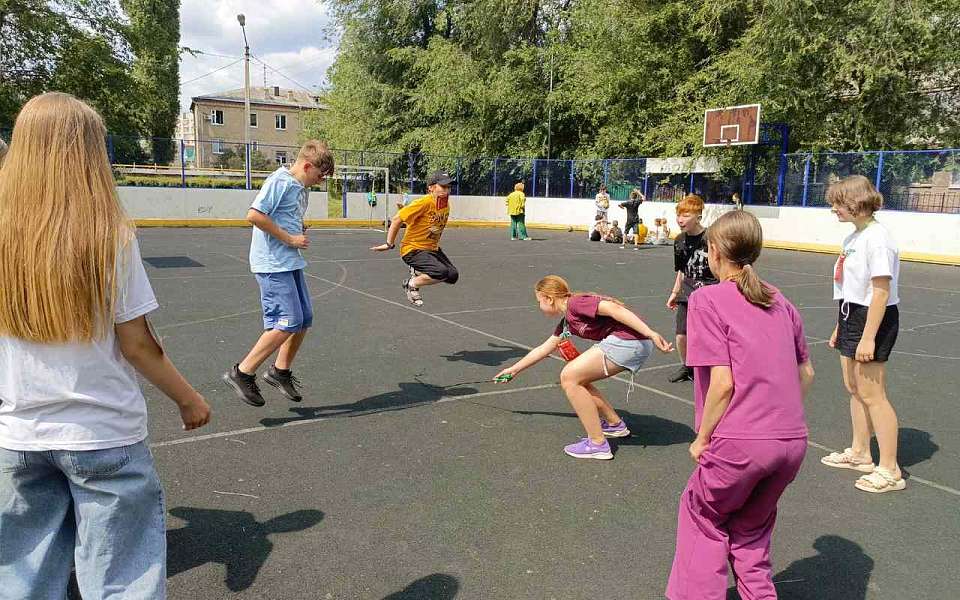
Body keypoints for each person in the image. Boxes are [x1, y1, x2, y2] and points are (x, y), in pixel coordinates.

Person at [0, 92, 211, 599]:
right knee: (121, 578)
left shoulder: (4, 234)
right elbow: (138, 344)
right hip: (103, 434)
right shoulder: (107, 236)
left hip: (20, 434)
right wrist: (189, 400)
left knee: (23, 580)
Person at [666, 210, 814, 600]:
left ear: (714, 251)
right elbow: (806, 374)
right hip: (790, 441)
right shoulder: (781, 301)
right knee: (752, 530)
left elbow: (723, 383)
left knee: (702, 516)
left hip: (740, 442)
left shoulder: (707, 299)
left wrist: (702, 438)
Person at [494, 276, 673, 459]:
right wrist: (513, 370)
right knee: (579, 378)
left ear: (548, 298)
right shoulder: (567, 322)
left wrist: (651, 333)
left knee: (569, 377)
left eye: (538, 301)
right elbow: (543, 349)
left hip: (629, 342)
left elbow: (614, 309)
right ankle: (614, 425)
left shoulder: (576, 303)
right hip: (631, 343)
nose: (538, 305)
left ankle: (597, 444)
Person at [223, 140, 335, 407]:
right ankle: (242, 373)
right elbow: (254, 215)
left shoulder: (300, 188)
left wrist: (297, 227)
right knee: (287, 320)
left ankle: (280, 371)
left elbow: (281, 215)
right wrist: (290, 238)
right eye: (320, 175)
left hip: (289, 261)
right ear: (306, 166)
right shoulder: (280, 181)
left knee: (304, 318)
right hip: (272, 263)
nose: (320, 181)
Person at [819, 175, 905, 493]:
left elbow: (880, 291)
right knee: (854, 388)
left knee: (873, 395)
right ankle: (860, 453)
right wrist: (841, 325)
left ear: (856, 202)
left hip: (873, 319)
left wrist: (868, 336)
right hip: (851, 315)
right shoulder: (855, 237)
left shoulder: (877, 239)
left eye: (838, 203)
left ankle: (890, 469)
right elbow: (851, 288)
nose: (834, 209)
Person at [372, 171, 457, 307]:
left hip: (431, 249)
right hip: (413, 249)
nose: (447, 191)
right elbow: (397, 219)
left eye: (449, 187)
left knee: (452, 276)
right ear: (431, 187)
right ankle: (411, 284)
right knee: (441, 272)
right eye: (443, 187)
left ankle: (418, 271)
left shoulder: (445, 205)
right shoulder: (423, 203)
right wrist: (389, 244)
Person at [666, 195, 718, 383]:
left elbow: (721, 266)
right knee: (681, 335)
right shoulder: (679, 240)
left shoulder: (711, 238)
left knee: (708, 334)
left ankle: (713, 367)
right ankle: (687, 367)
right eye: (679, 215)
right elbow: (681, 270)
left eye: (686, 215)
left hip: (710, 291)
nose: (680, 220)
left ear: (698, 217)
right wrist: (674, 293)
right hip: (687, 292)